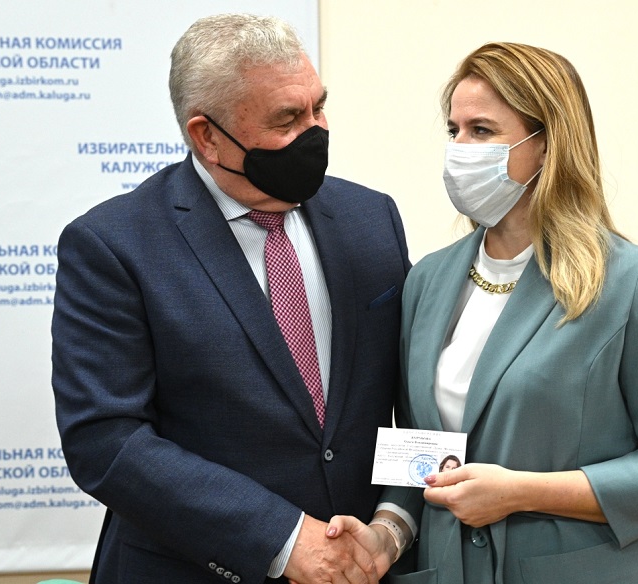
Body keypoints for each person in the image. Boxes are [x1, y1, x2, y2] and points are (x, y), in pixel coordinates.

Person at [327, 42, 638, 583]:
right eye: (454, 130)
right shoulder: (427, 280)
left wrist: (521, 492)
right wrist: (386, 534)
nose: (459, 149)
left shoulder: (626, 278)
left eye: (482, 131)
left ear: (546, 145)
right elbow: (425, 454)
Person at [51, 13, 410, 584]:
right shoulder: (114, 245)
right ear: (208, 136)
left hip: (364, 567)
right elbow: (106, 441)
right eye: (287, 119)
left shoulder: (371, 219)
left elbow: (413, 403)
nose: (315, 132)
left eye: (318, 108)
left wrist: (394, 525)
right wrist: (283, 539)